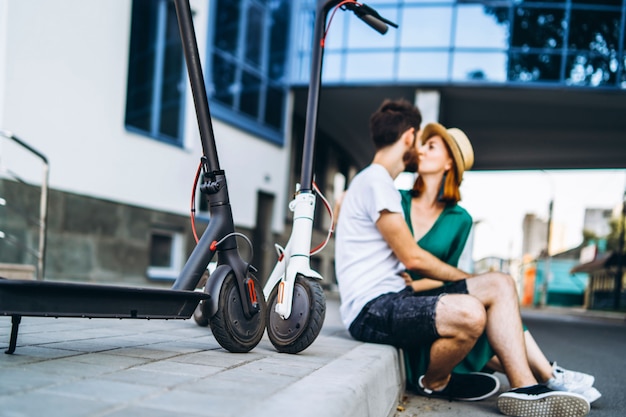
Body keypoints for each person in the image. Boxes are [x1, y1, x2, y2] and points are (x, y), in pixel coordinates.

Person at [334, 98, 590, 417]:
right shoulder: (378, 182)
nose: (423, 149)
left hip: (396, 298)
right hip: (372, 308)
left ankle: (526, 387)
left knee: (500, 283)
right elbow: (412, 258)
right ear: (410, 138)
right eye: (423, 142)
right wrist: (466, 280)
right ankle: (436, 382)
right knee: (471, 314)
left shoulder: (378, 183)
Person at [399, 122, 601, 403]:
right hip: (400, 305)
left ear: (449, 163)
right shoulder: (397, 202)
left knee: (496, 294)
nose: (420, 151)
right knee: (496, 291)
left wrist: (419, 282)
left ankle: (539, 382)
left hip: (434, 298)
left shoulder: (460, 219)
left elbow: (446, 277)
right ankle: (548, 377)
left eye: (430, 146)